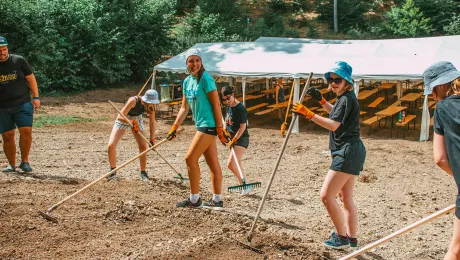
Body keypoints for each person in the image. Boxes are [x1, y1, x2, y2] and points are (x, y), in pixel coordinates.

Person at [292, 61, 366, 251]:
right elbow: (337, 113)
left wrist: (308, 113)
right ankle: (352, 240)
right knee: (345, 197)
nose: (333, 83)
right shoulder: (346, 98)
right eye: (330, 80)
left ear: (346, 81)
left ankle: (341, 237)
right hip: (353, 150)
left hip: (347, 152)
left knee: (326, 196)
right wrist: (321, 101)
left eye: (337, 80)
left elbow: (334, 124)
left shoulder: (347, 98)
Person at [167, 48, 230, 210]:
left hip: (208, 125)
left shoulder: (206, 79)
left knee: (190, 158)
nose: (194, 64)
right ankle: (217, 200)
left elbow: (216, 104)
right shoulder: (187, 82)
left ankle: (194, 199)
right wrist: (174, 127)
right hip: (201, 124)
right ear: (186, 63)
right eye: (191, 61)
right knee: (212, 163)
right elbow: (184, 108)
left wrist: (219, 129)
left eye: (197, 60)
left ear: (201, 62)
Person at [422, 61, 460, 260]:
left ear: (442, 86)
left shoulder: (443, 109)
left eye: (433, 91)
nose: (433, 96)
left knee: (455, 251)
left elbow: (440, 158)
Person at [0, 36, 40, 173]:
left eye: (4, 49)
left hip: (22, 103)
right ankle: (12, 165)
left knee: (26, 131)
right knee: (7, 135)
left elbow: (31, 78)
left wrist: (36, 97)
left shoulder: (18, 60)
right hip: (2, 107)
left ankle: (25, 161)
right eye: (0, 50)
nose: (2, 52)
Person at [107, 89, 160, 181]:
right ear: (145, 101)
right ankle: (112, 172)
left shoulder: (152, 107)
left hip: (137, 118)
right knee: (111, 145)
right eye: (151, 103)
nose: (153, 106)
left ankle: (143, 172)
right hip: (124, 118)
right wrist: (132, 122)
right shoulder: (133, 101)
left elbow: (152, 122)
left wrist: (152, 139)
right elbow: (119, 116)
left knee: (143, 146)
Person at [221, 86, 251, 195]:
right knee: (237, 163)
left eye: (228, 98)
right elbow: (226, 120)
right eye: (224, 99)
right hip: (231, 139)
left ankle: (244, 185)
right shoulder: (229, 106)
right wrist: (224, 130)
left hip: (241, 139)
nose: (226, 101)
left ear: (233, 94)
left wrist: (234, 139)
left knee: (230, 164)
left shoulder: (240, 108)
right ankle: (242, 185)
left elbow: (243, 127)